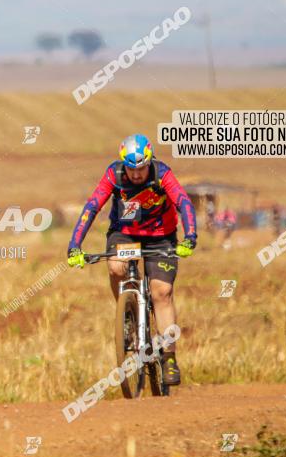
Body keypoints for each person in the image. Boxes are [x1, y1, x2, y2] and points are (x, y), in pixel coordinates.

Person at [66, 134, 197, 385]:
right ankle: (126, 312)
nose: (136, 175)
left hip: (161, 237)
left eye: (141, 169)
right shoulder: (114, 175)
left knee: (162, 292)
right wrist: (75, 245)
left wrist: (190, 236)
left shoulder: (162, 173)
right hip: (125, 234)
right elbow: (93, 206)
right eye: (131, 169)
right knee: (116, 267)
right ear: (122, 163)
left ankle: (169, 358)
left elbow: (183, 201)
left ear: (149, 162)